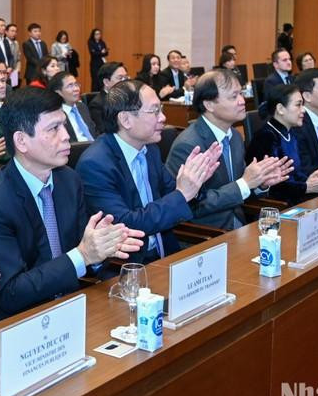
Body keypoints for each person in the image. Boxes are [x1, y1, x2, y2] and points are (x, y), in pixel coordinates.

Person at [0, 87, 144, 321]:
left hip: (69, 305)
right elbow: (10, 293)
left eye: (64, 125)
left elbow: (84, 252)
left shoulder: (68, 180)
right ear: (21, 141)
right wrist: (83, 256)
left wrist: (101, 251)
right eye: (53, 129)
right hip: (14, 323)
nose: (66, 135)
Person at [76, 80, 220, 263]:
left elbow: (172, 193)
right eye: (155, 111)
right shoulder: (95, 165)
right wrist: (183, 193)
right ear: (126, 120)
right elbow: (126, 225)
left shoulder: (149, 149)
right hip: (124, 266)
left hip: (163, 254)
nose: (163, 118)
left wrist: (195, 181)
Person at [165, 70, 293, 230]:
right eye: (234, 97)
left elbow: (241, 188)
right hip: (208, 234)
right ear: (209, 104)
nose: (242, 101)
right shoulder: (190, 145)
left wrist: (260, 183)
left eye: (240, 94)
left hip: (239, 225)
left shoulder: (234, 137)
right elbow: (191, 205)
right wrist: (244, 184)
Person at [246, 84, 318, 205]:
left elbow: (298, 174)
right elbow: (272, 186)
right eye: (298, 105)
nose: (303, 110)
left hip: (300, 197)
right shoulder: (266, 137)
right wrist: (305, 187)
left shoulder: (291, 132)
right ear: (280, 109)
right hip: (279, 205)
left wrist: (309, 182)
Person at [48, 71, 97, 142]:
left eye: (76, 84)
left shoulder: (82, 106)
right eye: (70, 86)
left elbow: (94, 132)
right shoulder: (56, 114)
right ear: (58, 92)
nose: (76, 89)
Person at [88, 61, 129, 135]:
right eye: (120, 78)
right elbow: (102, 131)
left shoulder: (129, 98)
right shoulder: (97, 105)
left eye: (125, 77)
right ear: (106, 82)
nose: (125, 81)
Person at [6, 23, 22, 87]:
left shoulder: (16, 43)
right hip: (6, 71)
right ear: (6, 32)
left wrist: (17, 69)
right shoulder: (3, 43)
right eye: (12, 31)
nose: (14, 33)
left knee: (14, 88)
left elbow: (18, 59)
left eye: (15, 31)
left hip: (15, 72)